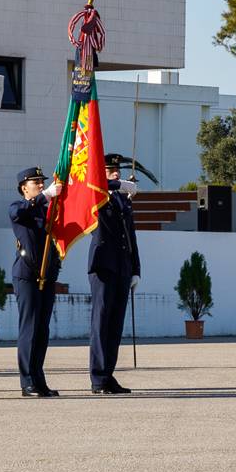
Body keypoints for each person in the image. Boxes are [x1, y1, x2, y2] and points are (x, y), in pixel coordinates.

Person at [87, 155, 141, 395]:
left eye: (117, 170)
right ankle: (98, 378)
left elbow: (131, 237)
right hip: (103, 266)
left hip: (122, 267)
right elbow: (91, 185)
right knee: (101, 323)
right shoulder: (96, 195)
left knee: (115, 325)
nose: (116, 173)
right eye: (110, 170)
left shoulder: (122, 201)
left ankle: (108, 374)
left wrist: (136, 269)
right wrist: (118, 185)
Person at [8, 167, 60, 397]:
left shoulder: (46, 210)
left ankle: (38, 379)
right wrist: (45, 196)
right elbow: (20, 213)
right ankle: (27, 381)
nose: (40, 184)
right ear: (23, 187)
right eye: (35, 182)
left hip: (46, 275)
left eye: (42, 181)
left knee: (42, 330)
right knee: (29, 328)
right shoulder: (19, 208)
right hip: (27, 275)